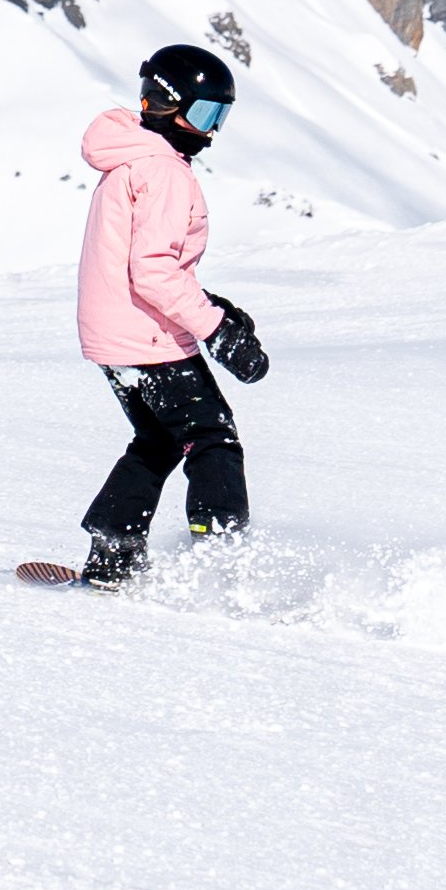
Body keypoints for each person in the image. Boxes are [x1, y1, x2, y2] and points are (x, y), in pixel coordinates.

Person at [69, 41, 269, 584]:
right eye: (205, 114)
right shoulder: (164, 171)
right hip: (146, 339)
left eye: (219, 118)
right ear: (168, 104)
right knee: (212, 437)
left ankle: (113, 551)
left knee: (159, 440)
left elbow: (151, 264)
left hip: (115, 335)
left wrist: (211, 307)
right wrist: (218, 330)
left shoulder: (130, 156)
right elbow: (153, 272)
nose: (209, 132)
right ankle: (222, 564)